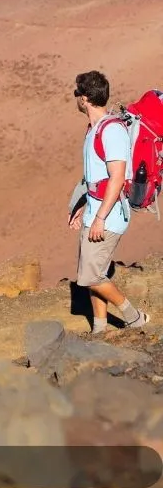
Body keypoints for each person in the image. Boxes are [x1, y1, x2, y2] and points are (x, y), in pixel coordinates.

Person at [70, 70, 150, 333]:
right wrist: (83, 207)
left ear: (84, 99)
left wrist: (101, 219)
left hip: (110, 215)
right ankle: (100, 327)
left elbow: (116, 178)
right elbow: (96, 178)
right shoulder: (93, 129)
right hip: (95, 209)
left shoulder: (111, 130)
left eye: (76, 94)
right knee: (97, 272)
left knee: (90, 276)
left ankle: (134, 316)